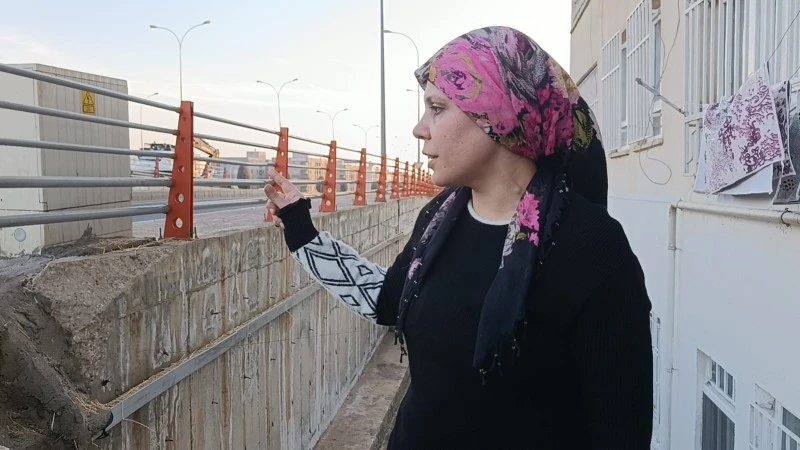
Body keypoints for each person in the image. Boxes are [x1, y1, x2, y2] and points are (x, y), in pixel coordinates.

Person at [265, 26, 653, 450]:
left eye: (437, 108)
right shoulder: (439, 217)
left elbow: (621, 432)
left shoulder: (592, 246)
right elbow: (387, 300)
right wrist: (301, 229)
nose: (419, 129)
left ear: (498, 116)